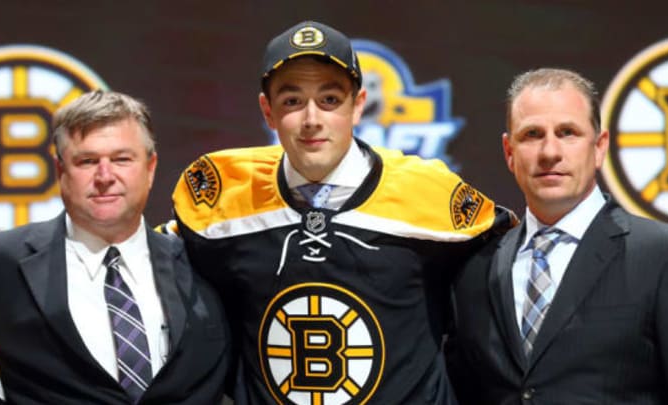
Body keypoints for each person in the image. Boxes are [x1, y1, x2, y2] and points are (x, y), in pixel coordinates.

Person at [170, 21, 511, 404]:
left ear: (358, 105)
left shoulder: (427, 195)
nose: (311, 119)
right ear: (267, 111)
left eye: (330, 100)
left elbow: (507, 281)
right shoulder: (224, 198)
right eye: (292, 101)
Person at [0, 91, 231, 404]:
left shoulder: (207, 263)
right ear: (60, 171)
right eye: (87, 161)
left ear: (150, 168)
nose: (105, 176)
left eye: (122, 159)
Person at [446, 68, 668, 404]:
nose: (549, 152)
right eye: (532, 134)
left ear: (600, 146)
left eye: (567, 132)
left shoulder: (664, 255)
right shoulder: (474, 269)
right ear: (509, 152)